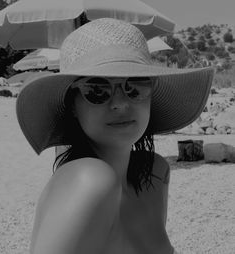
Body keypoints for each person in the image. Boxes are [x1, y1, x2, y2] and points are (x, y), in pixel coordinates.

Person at [16, 18, 214, 254]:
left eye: (135, 87)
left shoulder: (155, 173)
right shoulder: (89, 181)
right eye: (97, 90)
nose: (120, 103)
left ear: (151, 95)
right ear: (72, 106)